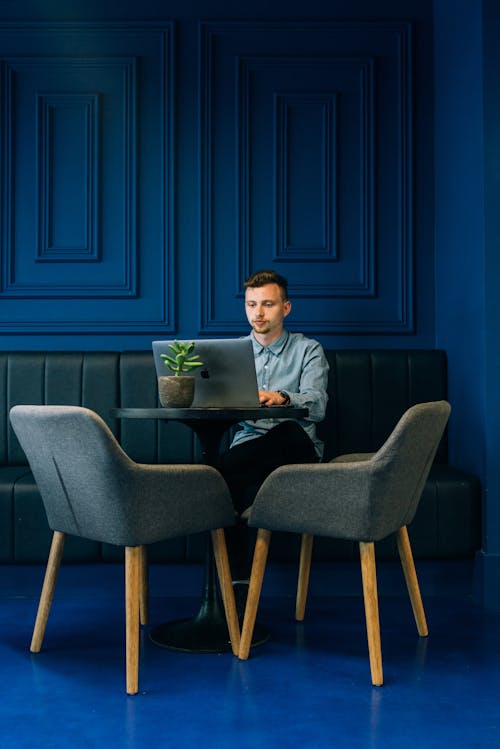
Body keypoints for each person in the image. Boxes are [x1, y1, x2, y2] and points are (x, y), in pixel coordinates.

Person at [218, 269, 329, 588]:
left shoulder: (308, 350)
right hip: (248, 448)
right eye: (251, 305)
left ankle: (216, 475)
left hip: (296, 450)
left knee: (286, 432)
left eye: (267, 304)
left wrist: (281, 397)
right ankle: (235, 583)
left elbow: (318, 407)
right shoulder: (232, 352)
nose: (258, 313)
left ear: (286, 307)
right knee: (226, 478)